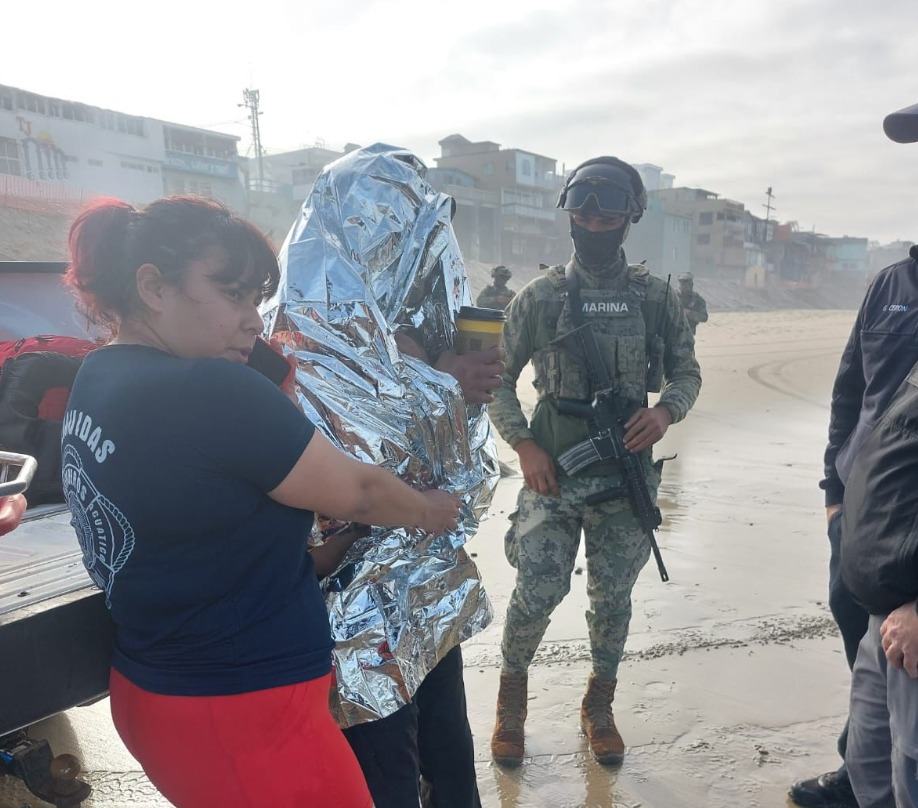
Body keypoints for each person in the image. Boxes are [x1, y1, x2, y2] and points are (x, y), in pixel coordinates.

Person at [59, 195, 461, 808]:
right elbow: (359, 488)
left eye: (256, 298)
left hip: (156, 693)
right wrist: (428, 508)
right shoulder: (212, 388)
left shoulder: (99, 377)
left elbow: (194, 540)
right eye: (233, 294)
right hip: (242, 711)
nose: (253, 319)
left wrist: (327, 551)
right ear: (153, 287)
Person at [487, 156, 701, 766]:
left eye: (608, 213)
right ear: (569, 216)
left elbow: (686, 372)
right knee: (537, 591)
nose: (594, 222)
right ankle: (510, 707)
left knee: (612, 601)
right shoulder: (540, 298)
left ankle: (599, 707)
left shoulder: (655, 298)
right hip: (552, 476)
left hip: (624, 483)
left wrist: (665, 413)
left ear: (630, 217)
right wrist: (524, 445)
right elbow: (497, 381)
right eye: (583, 211)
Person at [789, 101, 918, 808]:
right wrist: (835, 495)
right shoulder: (890, 285)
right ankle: (855, 765)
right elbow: (850, 393)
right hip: (863, 528)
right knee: (868, 678)